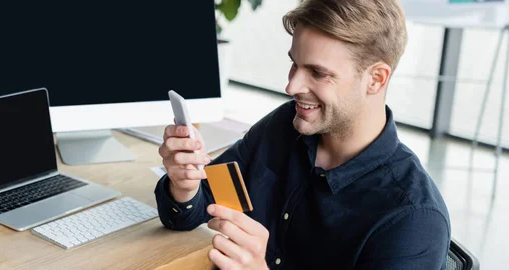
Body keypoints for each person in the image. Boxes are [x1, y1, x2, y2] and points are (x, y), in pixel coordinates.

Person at [155, 0, 450, 269]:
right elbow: (201, 206)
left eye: (318, 73)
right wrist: (185, 185)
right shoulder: (285, 125)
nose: (292, 86)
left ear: (375, 79)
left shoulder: (412, 217)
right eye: (294, 64)